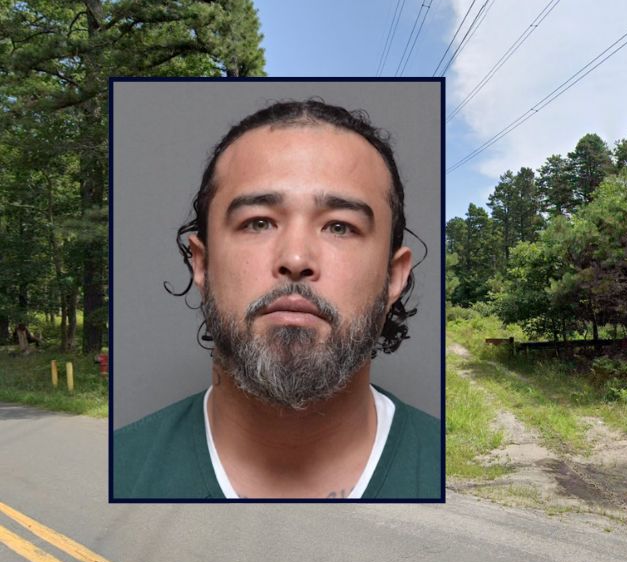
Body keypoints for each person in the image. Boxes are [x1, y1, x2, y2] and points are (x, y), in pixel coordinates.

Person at [114, 100, 440, 499]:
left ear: (394, 278)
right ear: (202, 264)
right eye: (258, 222)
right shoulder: (121, 467)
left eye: (340, 226)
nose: (296, 259)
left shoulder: (452, 476)